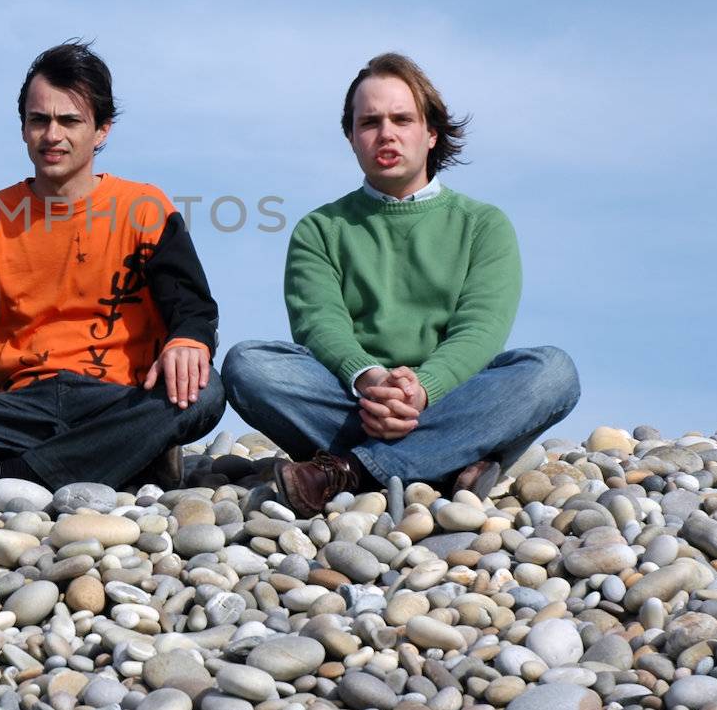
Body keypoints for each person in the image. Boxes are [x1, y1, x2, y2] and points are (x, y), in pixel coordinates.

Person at [223, 52, 579, 518]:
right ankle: (449, 461)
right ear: (351, 137)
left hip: (451, 393)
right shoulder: (321, 228)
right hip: (352, 398)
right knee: (249, 365)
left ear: (431, 133)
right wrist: (371, 379)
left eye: (401, 119)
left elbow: (481, 329)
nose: (385, 133)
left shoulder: (483, 225)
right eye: (369, 122)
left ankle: (343, 471)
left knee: (553, 372)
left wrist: (422, 389)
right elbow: (319, 324)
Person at [0, 41, 224, 494]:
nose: (52, 135)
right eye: (38, 119)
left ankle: (3, 475)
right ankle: (128, 455)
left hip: (120, 397)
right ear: (23, 127)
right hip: (19, 403)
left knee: (205, 390)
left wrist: (188, 341)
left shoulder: (144, 207)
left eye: (70, 121)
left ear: (101, 130)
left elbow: (194, 312)